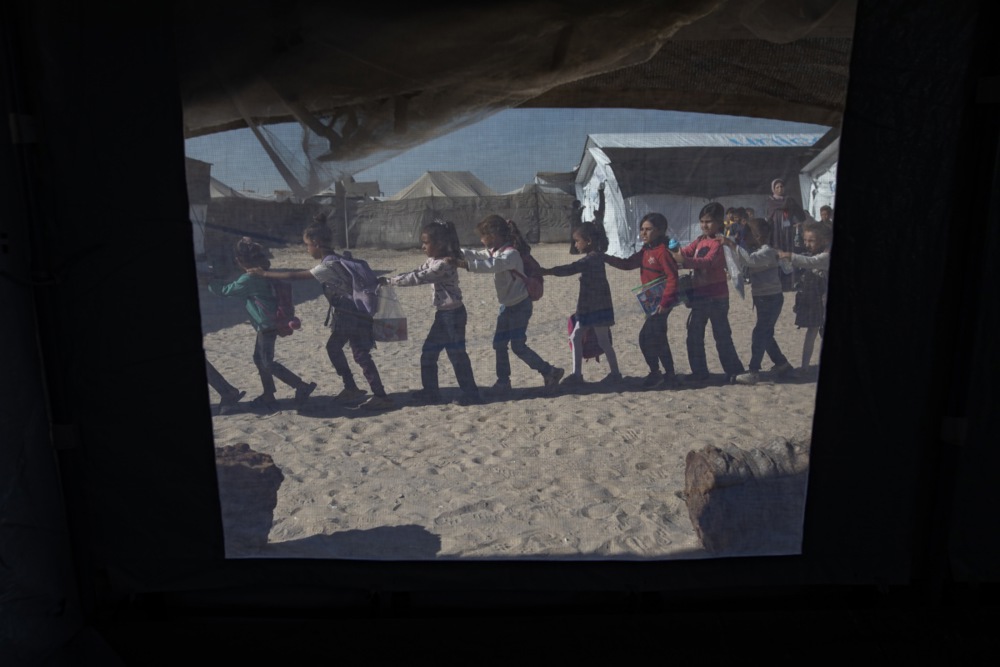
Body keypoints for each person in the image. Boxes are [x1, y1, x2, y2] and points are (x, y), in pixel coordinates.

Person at [251, 215, 392, 411]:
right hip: (352, 314)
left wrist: (264, 274)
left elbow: (296, 276)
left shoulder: (328, 265)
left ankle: (379, 395)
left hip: (351, 315)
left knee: (359, 354)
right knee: (336, 348)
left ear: (316, 243)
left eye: (307, 245)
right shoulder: (339, 259)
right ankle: (352, 388)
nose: (307, 249)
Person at [450, 215, 563, 393]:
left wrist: (462, 264)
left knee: (518, 346)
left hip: (520, 306)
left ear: (494, 235)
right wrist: (458, 251)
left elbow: (491, 265)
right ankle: (504, 381)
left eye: (483, 235)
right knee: (499, 344)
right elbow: (477, 254)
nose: (481, 240)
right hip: (507, 306)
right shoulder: (496, 250)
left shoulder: (510, 254)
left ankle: (550, 371)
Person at [209, 237, 316, 413]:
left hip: (267, 325)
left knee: (266, 362)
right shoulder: (262, 273)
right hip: (269, 324)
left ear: (240, 260)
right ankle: (269, 394)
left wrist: (210, 282)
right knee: (260, 359)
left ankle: (300, 386)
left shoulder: (249, 278)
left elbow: (227, 291)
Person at [379, 221, 481, 406]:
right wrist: (392, 279)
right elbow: (417, 271)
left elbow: (418, 277)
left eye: (426, 243)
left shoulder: (444, 264)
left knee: (456, 355)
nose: (423, 246)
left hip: (453, 315)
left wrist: (389, 281)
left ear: (440, 243)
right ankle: (431, 392)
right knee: (429, 352)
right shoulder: (433, 261)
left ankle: (471, 393)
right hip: (443, 315)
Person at [541, 221, 621, 386]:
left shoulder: (592, 259)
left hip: (593, 308)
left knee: (579, 337)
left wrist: (549, 271)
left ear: (589, 241)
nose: (576, 244)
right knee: (599, 340)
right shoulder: (597, 257)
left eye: (578, 241)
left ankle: (579, 375)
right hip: (598, 306)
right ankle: (613, 374)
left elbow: (571, 268)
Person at [605, 212, 680, 389]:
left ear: (660, 230)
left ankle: (657, 373)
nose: (643, 233)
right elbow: (627, 264)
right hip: (651, 303)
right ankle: (669, 375)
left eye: (648, 229)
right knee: (659, 339)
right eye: (641, 229)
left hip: (661, 304)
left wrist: (665, 303)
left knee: (645, 338)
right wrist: (606, 258)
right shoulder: (646, 250)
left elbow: (672, 278)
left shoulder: (662, 252)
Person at [673, 202, 746, 383]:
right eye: (702, 221)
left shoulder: (719, 242)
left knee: (721, 336)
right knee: (694, 335)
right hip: (700, 296)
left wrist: (685, 260)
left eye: (709, 222)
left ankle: (734, 371)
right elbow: (685, 252)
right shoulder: (699, 240)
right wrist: (671, 253)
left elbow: (707, 262)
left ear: (719, 222)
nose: (705, 225)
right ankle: (699, 372)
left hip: (717, 298)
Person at [720, 218, 793, 384]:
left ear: (758, 236)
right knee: (765, 333)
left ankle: (754, 370)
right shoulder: (759, 251)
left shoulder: (767, 251)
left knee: (760, 333)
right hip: (762, 298)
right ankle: (782, 364)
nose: (744, 238)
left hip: (771, 298)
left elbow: (750, 261)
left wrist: (732, 245)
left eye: (747, 235)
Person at [778, 222, 832, 372]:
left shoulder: (825, 256)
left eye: (811, 241)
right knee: (812, 331)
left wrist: (789, 255)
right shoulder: (813, 253)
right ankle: (804, 367)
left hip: (822, 300)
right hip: (813, 300)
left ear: (824, 240)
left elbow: (810, 263)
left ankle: (805, 367)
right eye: (805, 240)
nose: (807, 244)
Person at [764, 178, 808, 252]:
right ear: (773, 189)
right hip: (775, 228)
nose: (780, 189)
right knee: (776, 244)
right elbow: (767, 216)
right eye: (777, 187)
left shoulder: (790, 200)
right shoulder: (770, 201)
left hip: (788, 227)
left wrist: (798, 221)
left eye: (781, 186)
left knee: (788, 243)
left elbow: (800, 213)